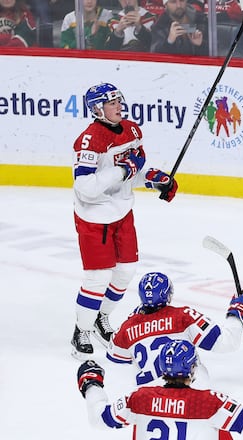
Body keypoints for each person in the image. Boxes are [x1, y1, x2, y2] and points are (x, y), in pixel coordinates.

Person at [71, 82, 178, 358]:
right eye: (112, 102)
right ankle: (80, 331)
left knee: (126, 270)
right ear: (97, 109)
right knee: (98, 277)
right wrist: (123, 170)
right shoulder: (89, 140)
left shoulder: (132, 130)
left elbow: (133, 172)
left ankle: (100, 317)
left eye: (119, 100)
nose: (119, 106)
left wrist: (154, 179)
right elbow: (85, 187)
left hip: (122, 214)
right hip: (94, 218)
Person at [77, 340, 243, 438]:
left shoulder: (139, 398)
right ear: (193, 369)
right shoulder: (209, 402)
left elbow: (100, 418)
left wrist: (91, 383)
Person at [106, 272, 243, 386]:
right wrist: (237, 313)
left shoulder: (125, 329)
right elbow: (227, 342)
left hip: (149, 401)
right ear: (168, 295)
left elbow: (117, 366)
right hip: (193, 390)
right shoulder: (183, 316)